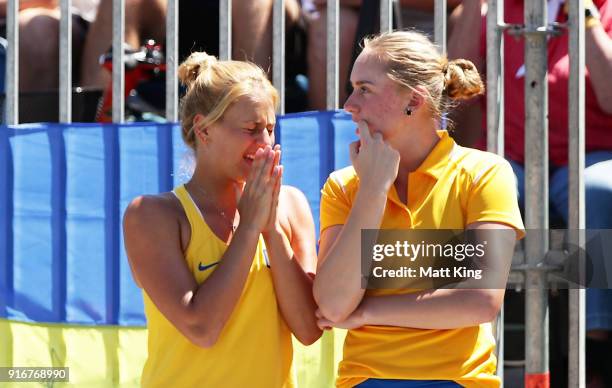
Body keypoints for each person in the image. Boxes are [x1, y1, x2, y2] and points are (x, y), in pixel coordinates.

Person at [312, 30, 524, 387]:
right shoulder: (344, 186)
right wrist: (374, 191)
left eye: (364, 88)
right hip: (365, 379)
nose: (349, 104)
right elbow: (333, 306)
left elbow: (480, 299)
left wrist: (366, 311)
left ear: (413, 99)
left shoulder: (485, 173)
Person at [122, 52, 321, 387]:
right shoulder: (151, 215)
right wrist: (249, 228)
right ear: (204, 130)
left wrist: (271, 229)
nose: (264, 144)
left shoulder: (291, 204)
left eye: (270, 129)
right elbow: (202, 328)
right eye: (251, 129)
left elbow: (308, 329)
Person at [448, 1, 612, 386]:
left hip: (589, 151)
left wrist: (584, 17)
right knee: (472, 188)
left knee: (597, 192)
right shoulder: (496, 9)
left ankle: (593, 355)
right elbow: (454, 87)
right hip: (512, 153)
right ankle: (461, 339)